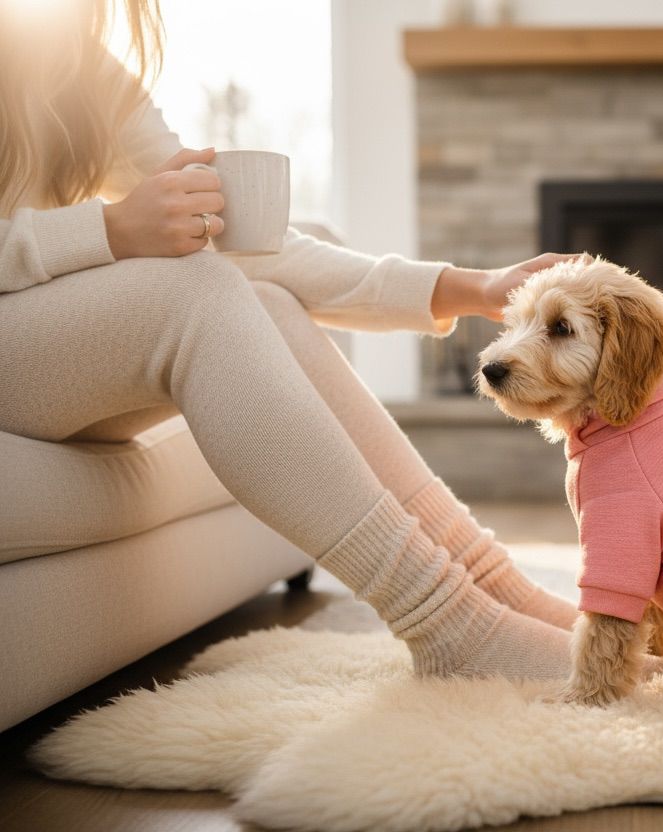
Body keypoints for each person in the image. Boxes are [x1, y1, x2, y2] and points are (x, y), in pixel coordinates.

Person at [0, 0, 580, 678]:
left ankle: (491, 584)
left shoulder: (80, 65)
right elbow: (132, 239)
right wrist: (107, 231)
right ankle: (451, 623)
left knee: (265, 302)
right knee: (193, 292)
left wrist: (471, 287)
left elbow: (252, 250)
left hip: (40, 361)